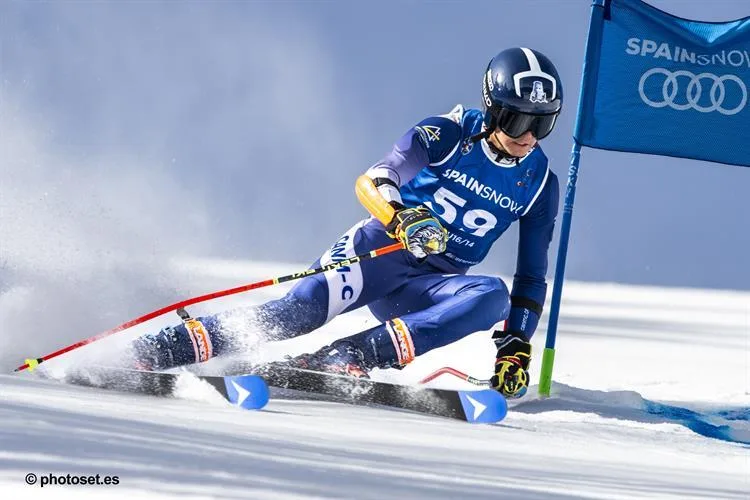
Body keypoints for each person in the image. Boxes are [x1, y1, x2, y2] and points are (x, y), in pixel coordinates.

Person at [132, 47, 562, 399]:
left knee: (490, 296)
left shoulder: (539, 182)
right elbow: (374, 179)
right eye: (517, 119)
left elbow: (531, 277)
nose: (528, 135)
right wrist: (401, 218)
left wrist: (516, 347)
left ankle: (346, 356)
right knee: (297, 314)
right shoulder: (448, 134)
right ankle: (164, 346)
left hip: (425, 289)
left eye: (542, 123)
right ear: (491, 109)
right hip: (377, 253)